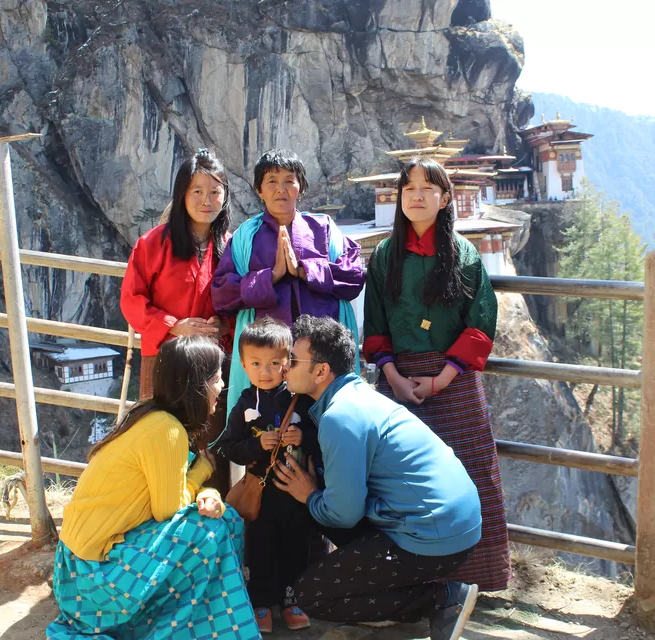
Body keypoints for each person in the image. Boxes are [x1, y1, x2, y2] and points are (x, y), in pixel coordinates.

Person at [273, 315, 482, 640]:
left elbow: (344, 513)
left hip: (434, 535)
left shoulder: (340, 417)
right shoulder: (357, 395)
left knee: (311, 595)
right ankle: (418, 594)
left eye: (293, 360)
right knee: (324, 516)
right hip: (449, 521)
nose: (285, 367)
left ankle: (442, 598)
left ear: (321, 371)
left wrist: (310, 496)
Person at [47, 337, 261, 640]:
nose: (222, 386)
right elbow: (168, 510)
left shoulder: (148, 414)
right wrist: (202, 470)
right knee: (208, 531)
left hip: (78, 564)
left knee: (223, 519)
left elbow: (169, 490)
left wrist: (205, 491)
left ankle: (207, 617)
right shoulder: (167, 430)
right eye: (216, 378)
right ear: (197, 385)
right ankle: (199, 622)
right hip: (92, 576)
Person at [362, 157, 511, 591]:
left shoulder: (463, 254)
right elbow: (376, 324)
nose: (417, 196)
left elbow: (481, 321)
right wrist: (391, 374)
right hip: (396, 379)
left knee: (473, 469)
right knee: (394, 476)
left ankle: (476, 578)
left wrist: (442, 378)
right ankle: (405, 583)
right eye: (408, 188)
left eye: (428, 188)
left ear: (445, 199)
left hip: (453, 380)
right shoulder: (386, 255)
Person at [211, 148, 365, 417]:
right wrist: (272, 276)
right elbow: (222, 293)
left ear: (300, 187)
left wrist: (304, 270)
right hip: (268, 361)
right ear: (259, 190)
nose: (280, 189)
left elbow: (353, 277)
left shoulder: (324, 229)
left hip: (322, 354)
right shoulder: (246, 236)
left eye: (289, 180)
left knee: (327, 428)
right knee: (269, 432)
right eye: (271, 181)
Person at [213, 317, 319, 634]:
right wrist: (256, 444)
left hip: (297, 494)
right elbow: (229, 448)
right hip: (260, 493)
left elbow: (323, 439)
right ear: (243, 365)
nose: (266, 371)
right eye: (257, 363)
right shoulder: (244, 404)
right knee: (259, 547)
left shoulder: (300, 398)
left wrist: (303, 437)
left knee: (295, 546)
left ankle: (291, 600)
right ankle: (260, 602)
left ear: (289, 362)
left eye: (275, 363)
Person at [120, 148, 232, 403]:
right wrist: (174, 326)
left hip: (213, 360)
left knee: (209, 436)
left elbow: (244, 305)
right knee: (162, 432)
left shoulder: (233, 247)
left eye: (215, 192)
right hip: (164, 355)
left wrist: (225, 325)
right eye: (198, 191)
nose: (207, 200)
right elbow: (131, 300)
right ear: (182, 195)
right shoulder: (153, 244)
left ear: (224, 198)